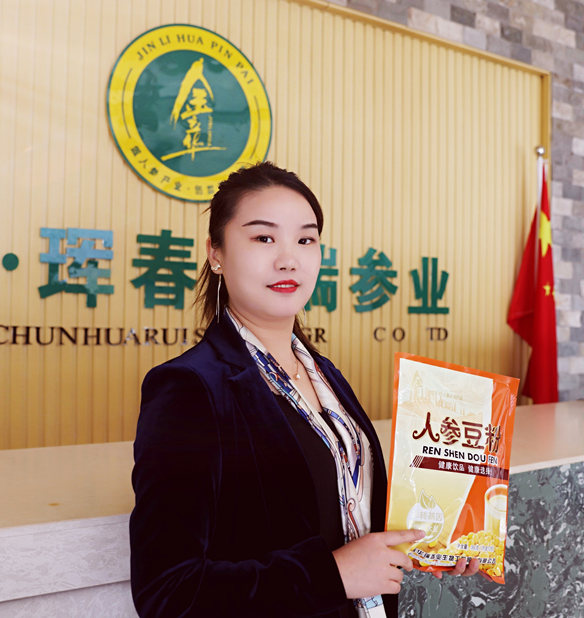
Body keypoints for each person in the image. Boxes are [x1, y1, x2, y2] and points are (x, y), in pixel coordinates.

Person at [130, 162, 478, 618]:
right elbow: (167, 592)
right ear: (215, 253)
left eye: (305, 240)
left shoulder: (323, 374)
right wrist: (332, 575)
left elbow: (345, 519)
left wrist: (433, 538)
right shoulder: (189, 388)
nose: (288, 259)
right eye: (263, 238)